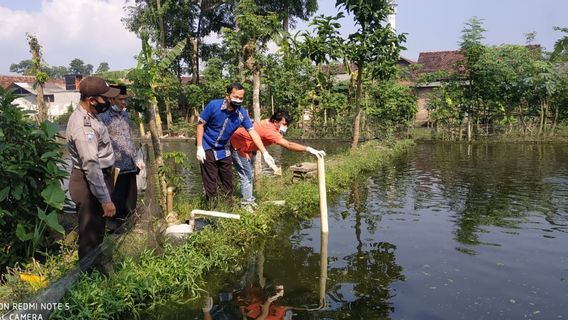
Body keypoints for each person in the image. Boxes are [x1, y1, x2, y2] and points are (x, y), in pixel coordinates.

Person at [66, 76, 120, 270]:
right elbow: (90, 164)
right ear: (92, 100)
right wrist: (105, 199)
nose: (109, 101)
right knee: (89, 234)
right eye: (106, 98)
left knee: (97, 230)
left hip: (96, 179)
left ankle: (96, 271)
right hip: (88, 182)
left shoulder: (91, 116)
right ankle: (87, 280)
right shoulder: (83, 126)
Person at [196, 82, 278, 206]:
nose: (238, 100)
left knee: (227, 181)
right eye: (235, 97)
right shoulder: (214, 106)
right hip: (207, 146)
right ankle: (212, 211)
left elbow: (252, 132)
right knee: (211, 182)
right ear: (227, 95)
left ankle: (228, 209)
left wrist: (265, 152)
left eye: (241, 98)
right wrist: (199, 147)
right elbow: (200, 125)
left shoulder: (241, 114)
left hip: (224, 149)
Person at [230, 110, 326, 208]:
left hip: (247, 147)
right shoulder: (270, 131)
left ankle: (248, 200)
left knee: (248, 174)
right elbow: (289, 145)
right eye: (284, 124)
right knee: (247, 176)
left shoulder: (269, 123)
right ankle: (246, 204)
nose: (286, 127)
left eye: (287, 124)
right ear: (275, 122)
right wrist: (309, 149)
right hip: (238, 145)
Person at [98, 84, 143, 233]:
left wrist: (136, 158)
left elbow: (129, 138)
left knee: (131, 203)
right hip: (115, 169)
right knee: (116, 201)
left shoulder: (126, 115)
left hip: (130, 166)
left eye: (125, 99)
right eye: (120, 99)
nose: (124, 103)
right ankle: (113, 233)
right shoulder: (103, 118)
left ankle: (129, 230)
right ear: (111, 99)